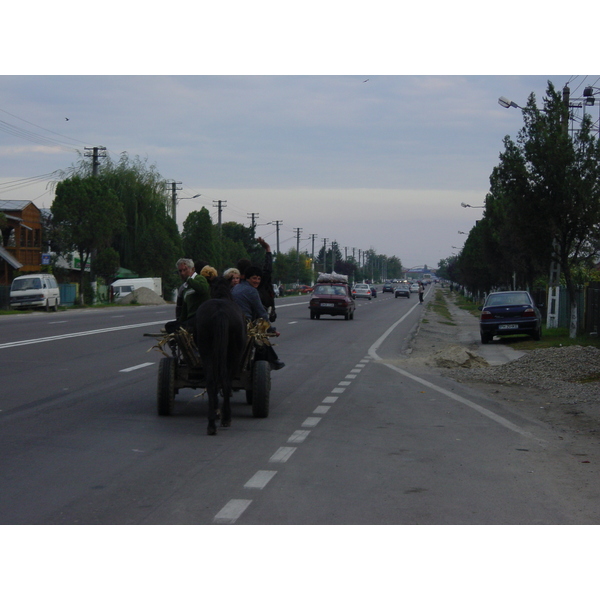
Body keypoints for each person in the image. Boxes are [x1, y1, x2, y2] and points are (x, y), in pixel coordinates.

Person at [231, 265, 285, 370]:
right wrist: (271, 329)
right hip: (244, 322)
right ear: (247, 278)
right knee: (260, 337)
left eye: (259, 279)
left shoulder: (235, 287)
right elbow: (261, 312)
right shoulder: (252, 291)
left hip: (232, 319)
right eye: (254, 278)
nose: (257, 281)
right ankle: (273, 361)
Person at [165, 258, 210, 334]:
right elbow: (184, 310)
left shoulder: (199, 278)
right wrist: (180, 322)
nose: (182, 273)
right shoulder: (185, 287)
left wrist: (188, 279)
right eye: (180, 271)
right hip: (191, 318)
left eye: (185, 270)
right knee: (169, 326)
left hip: (201, 316)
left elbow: (203, 289)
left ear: (192, 269)